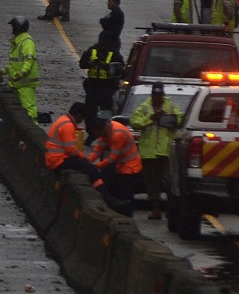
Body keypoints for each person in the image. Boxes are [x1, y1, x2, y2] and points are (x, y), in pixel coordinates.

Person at [130, 82, 182, 219]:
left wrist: (168, 119)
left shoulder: (170, 106)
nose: (157, 97)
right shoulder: (144, 107)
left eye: (159, 94)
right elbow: (134, 122)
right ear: (152, 94)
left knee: (167, 182)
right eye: (155, 94)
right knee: (151, 183)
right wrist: (151, 118)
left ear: (163, 94)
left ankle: (172, 211)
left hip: (165, 151)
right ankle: (156, 209)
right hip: (148, 153)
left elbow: (180, 120)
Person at [88, 111, 143, 215]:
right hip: (122, 166)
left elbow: (112, 158)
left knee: (125, 195)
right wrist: (88, 161)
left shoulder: (118, 134)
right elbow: (98, 149)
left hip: (130, 168)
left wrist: (95, 166)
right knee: (117, 193)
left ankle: (127, 215)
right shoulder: (105, 132)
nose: (97, 136)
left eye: (97, 133)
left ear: (101, 129)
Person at [45, 101, 102, 183]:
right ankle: (103, 193)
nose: (81, 121)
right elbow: (71, 150)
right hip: (58, 161)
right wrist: (83, 157)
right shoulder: (68, 125)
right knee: (92, 170)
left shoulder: (62, 119)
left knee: (86, 167)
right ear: (79, 115)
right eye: (82, 118)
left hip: (53, 159)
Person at [78, 32, 122, 126]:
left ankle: (104, 128)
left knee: (105, 114)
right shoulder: (92, 50)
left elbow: (121, 69)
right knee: (90, 114)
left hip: (106, 89)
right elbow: (82, 64)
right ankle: (92, 131)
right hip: (92, 88)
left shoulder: (113, 53)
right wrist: (90, 63)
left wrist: (107, 66)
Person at [6, 16, 40, 121]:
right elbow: (15, 64)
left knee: (29, 109)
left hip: (25, 84)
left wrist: (21, 74)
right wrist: (3, 71)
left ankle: (34, 131)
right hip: (17, 83)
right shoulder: (18, 42)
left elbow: (28, 60)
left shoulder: (27, 42)